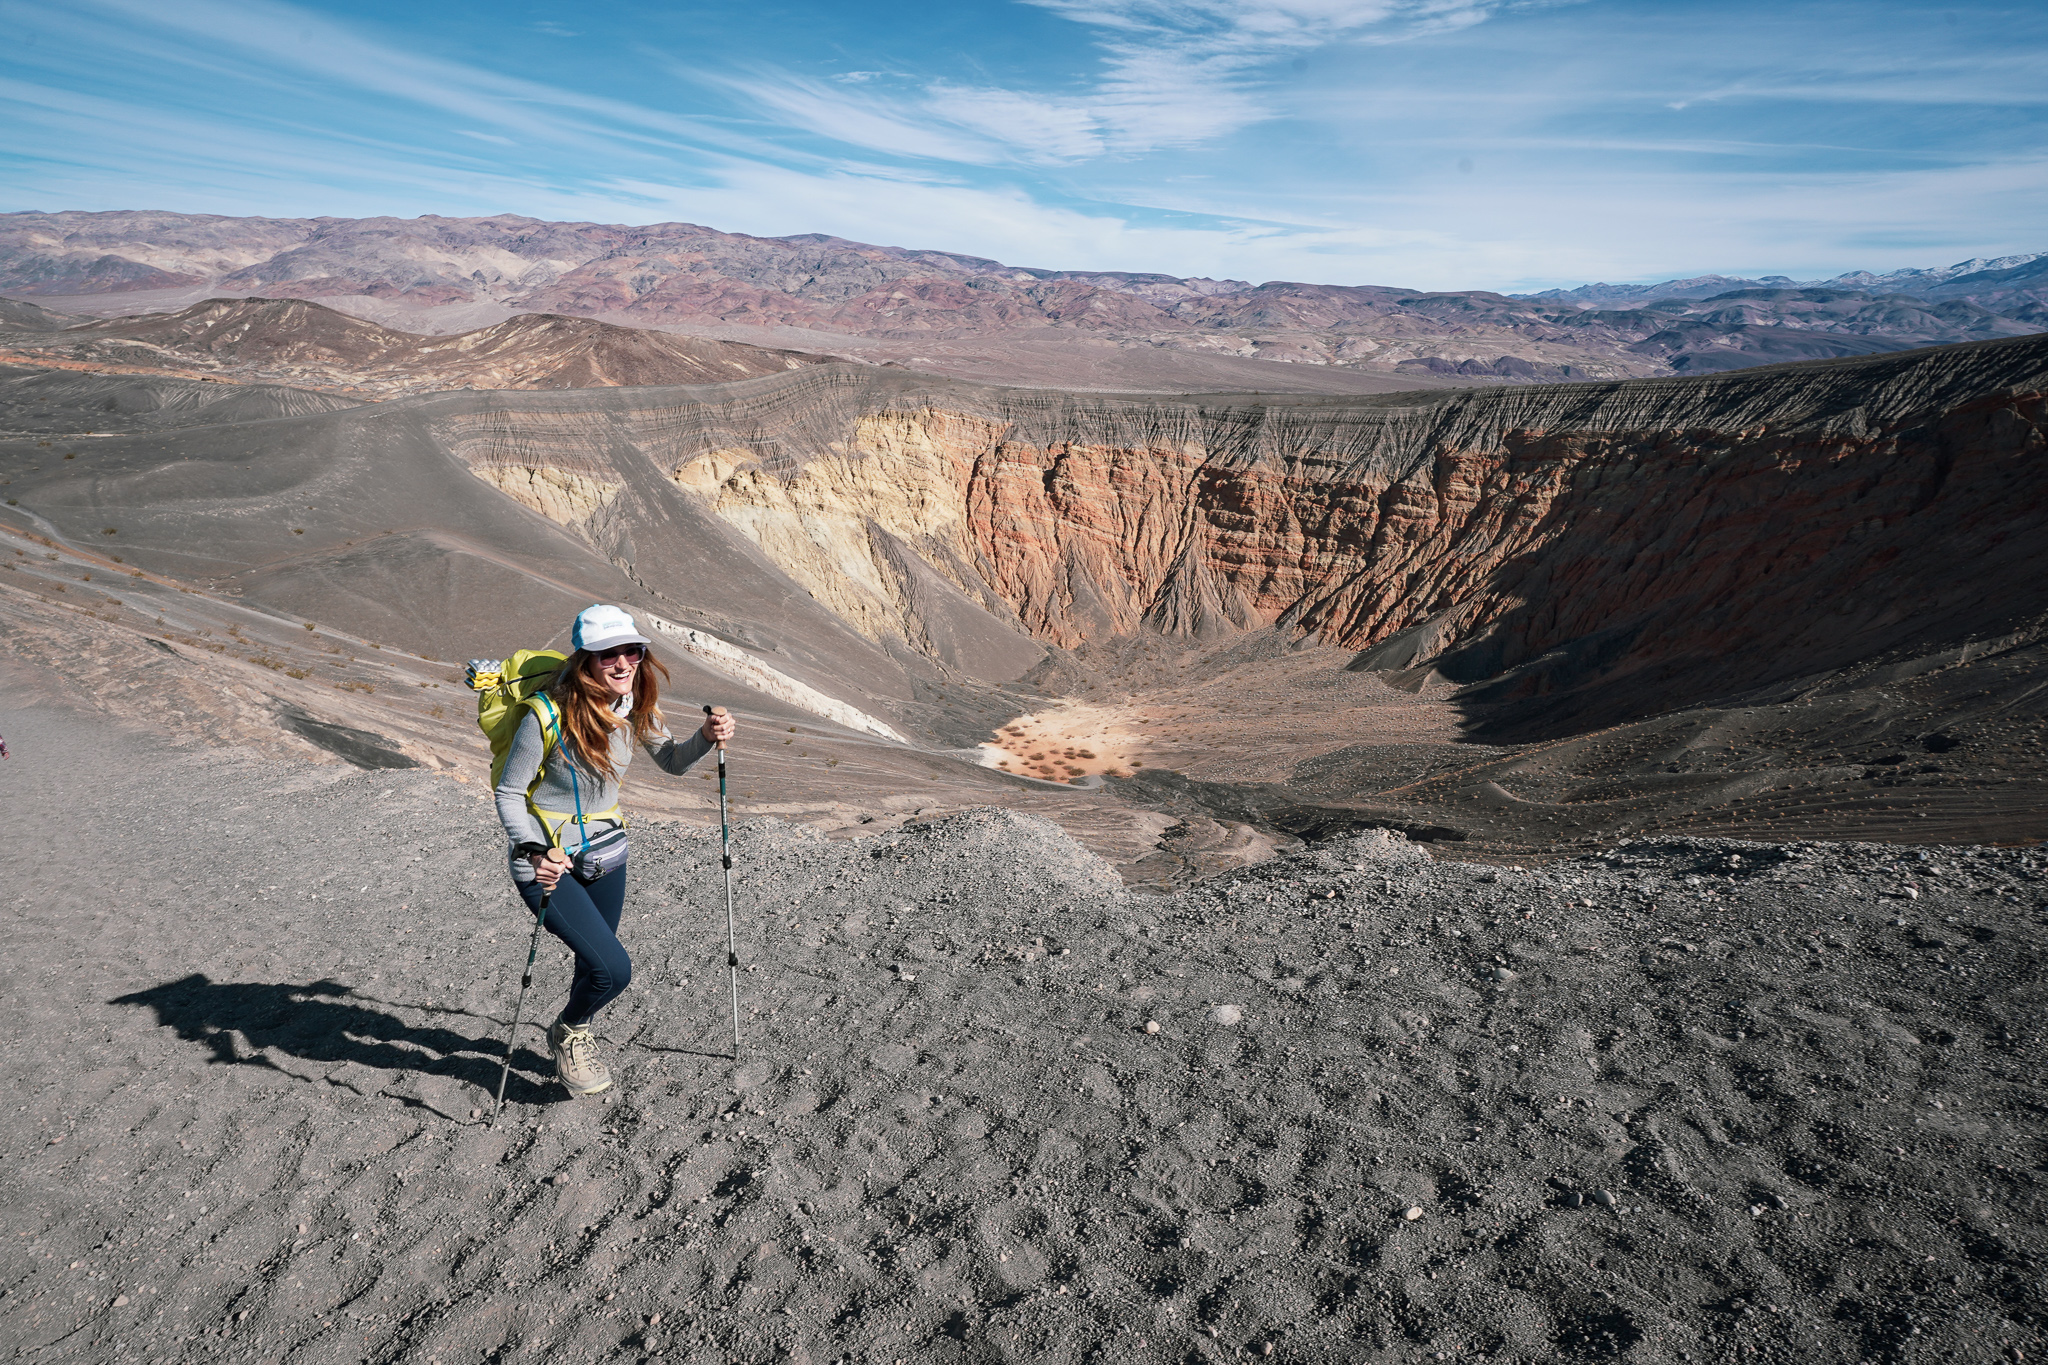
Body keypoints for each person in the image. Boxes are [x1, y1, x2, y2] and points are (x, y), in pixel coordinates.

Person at [492, 604, 736, 1097]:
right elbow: (509, 793)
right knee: (613, 969)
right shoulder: (545, 715)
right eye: (608, 655)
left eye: (632, 651)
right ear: (585, 659)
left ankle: (573, 1031)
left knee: (593, 963)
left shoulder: (635, 706)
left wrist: (705, 739)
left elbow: (670, 760)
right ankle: (569, 1028)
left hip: (608, 852)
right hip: (548, 864)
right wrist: (535, 849)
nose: (623, 663)